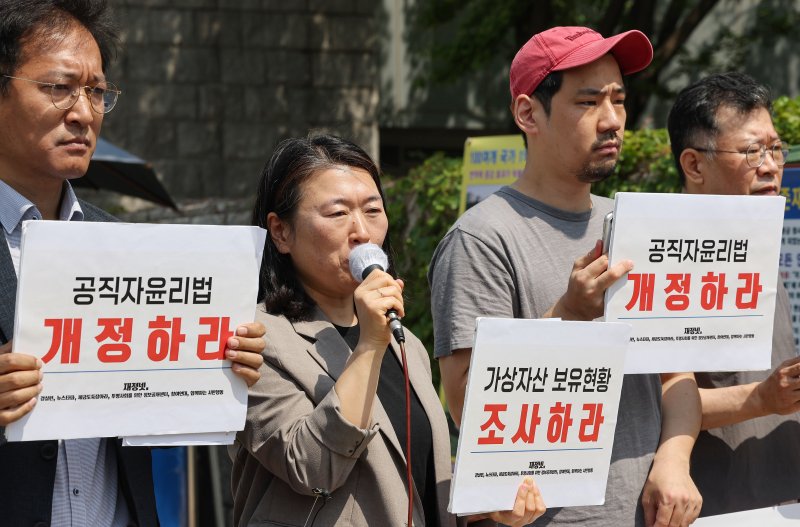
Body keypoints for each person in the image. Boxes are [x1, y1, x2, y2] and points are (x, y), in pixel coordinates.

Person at [0, 1, 266, 525]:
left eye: (97, 92)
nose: (83, 112)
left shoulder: (123, 247)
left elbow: (155, 403)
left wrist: (222, 361)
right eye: (58, 87)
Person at [429, 26, 703, 526]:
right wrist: (570, 315)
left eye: (619, 100)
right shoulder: (482, 239)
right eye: (589, 101)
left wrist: (675, 460)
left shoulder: (634, 225)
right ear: (528, 113)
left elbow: (677, 374)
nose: (613, 120)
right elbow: (469, 401)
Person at [230, 134, 547, 526]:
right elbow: (314, 469)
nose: (361, 231)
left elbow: (419, 483)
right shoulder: (253, 340)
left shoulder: (405, 342)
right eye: (337, 213)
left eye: (372, 210)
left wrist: (488, 509)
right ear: (281, 232)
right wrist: (368, 347)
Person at [667, 71, 800, 516]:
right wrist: (762, 398)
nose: (770, 165)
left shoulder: (758, 246)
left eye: (776, 148)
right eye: (751, 151)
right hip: (714, 507)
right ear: (694, 165)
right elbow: (641, 407)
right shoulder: (661, 260)